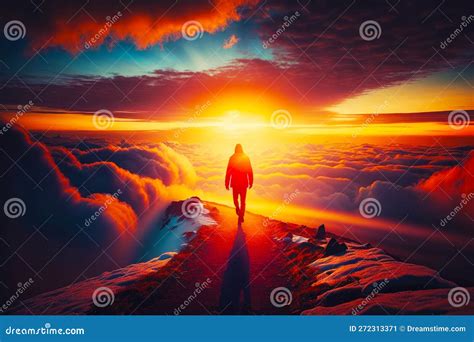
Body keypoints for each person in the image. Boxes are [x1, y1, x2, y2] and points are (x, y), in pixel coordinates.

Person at [225, 144, 253, 223]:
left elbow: (228, 171)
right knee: (240, 201)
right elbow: (249, 170)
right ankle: (240, 213)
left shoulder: (233, 158)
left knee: (237, 200)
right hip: (241, 183)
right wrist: (251, 181)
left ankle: (239, 213)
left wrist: (227, 183)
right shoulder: (244, 158)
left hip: (236, 183)